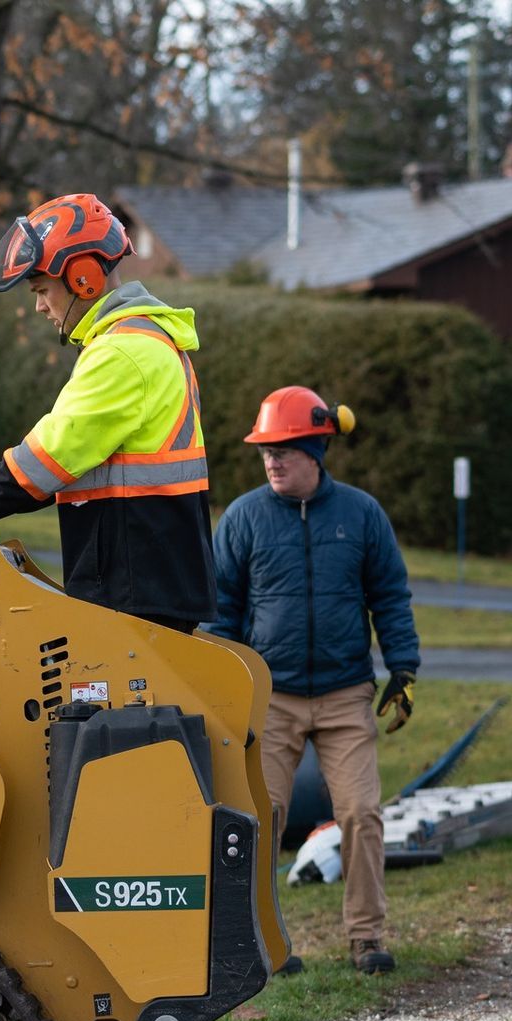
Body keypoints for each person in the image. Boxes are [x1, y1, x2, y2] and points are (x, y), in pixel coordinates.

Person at [0, 193, 215, 632]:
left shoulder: (123, 353)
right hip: (150, 585)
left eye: (41, 290)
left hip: (137, 594)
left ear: (84, 279)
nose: (39, 307)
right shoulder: (143, 342)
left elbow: (39, 467)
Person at [205, 387, 420, 975]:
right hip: (270, 699)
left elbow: (390, 597)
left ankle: (366, 938)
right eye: (266, 452)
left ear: (315, 453)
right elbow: (221, 609)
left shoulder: (361, 515)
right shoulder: (244, 518)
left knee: (360, 812)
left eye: (284, 452)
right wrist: (221, 687)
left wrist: (402, 668)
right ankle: (262, 945)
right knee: (260, 816)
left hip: (347, 692)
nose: (272, 462)